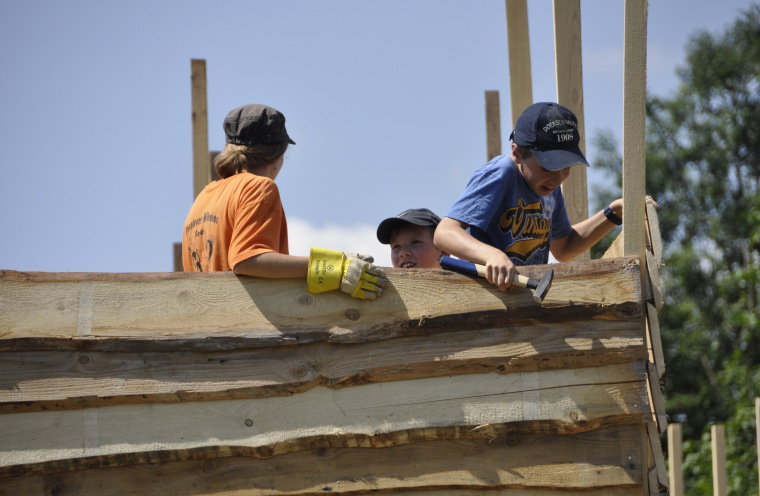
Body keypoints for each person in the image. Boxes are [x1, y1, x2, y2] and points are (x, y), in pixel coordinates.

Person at [182, 103, 386, 299]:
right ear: (279, 155)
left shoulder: (204, 197)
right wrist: (334, 267)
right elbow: (247, 259)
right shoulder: (258, 187)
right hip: (243, 325)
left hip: (205, 320)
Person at [434, 102, 624, 292]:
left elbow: (564, 248)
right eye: (547, 166)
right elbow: (444, 233)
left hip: (523, 301)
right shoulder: (502, 173)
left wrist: (614, 213)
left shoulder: (549, 187)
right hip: (485, 299)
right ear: (517, 153)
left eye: (566, 167)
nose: (558, 178)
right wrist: (491, 255)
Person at [376, 208, 448, 268]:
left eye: (415, 242)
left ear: (443, 252)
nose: (403, 253)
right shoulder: (384, 284)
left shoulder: (458, 283)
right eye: (396, 246)